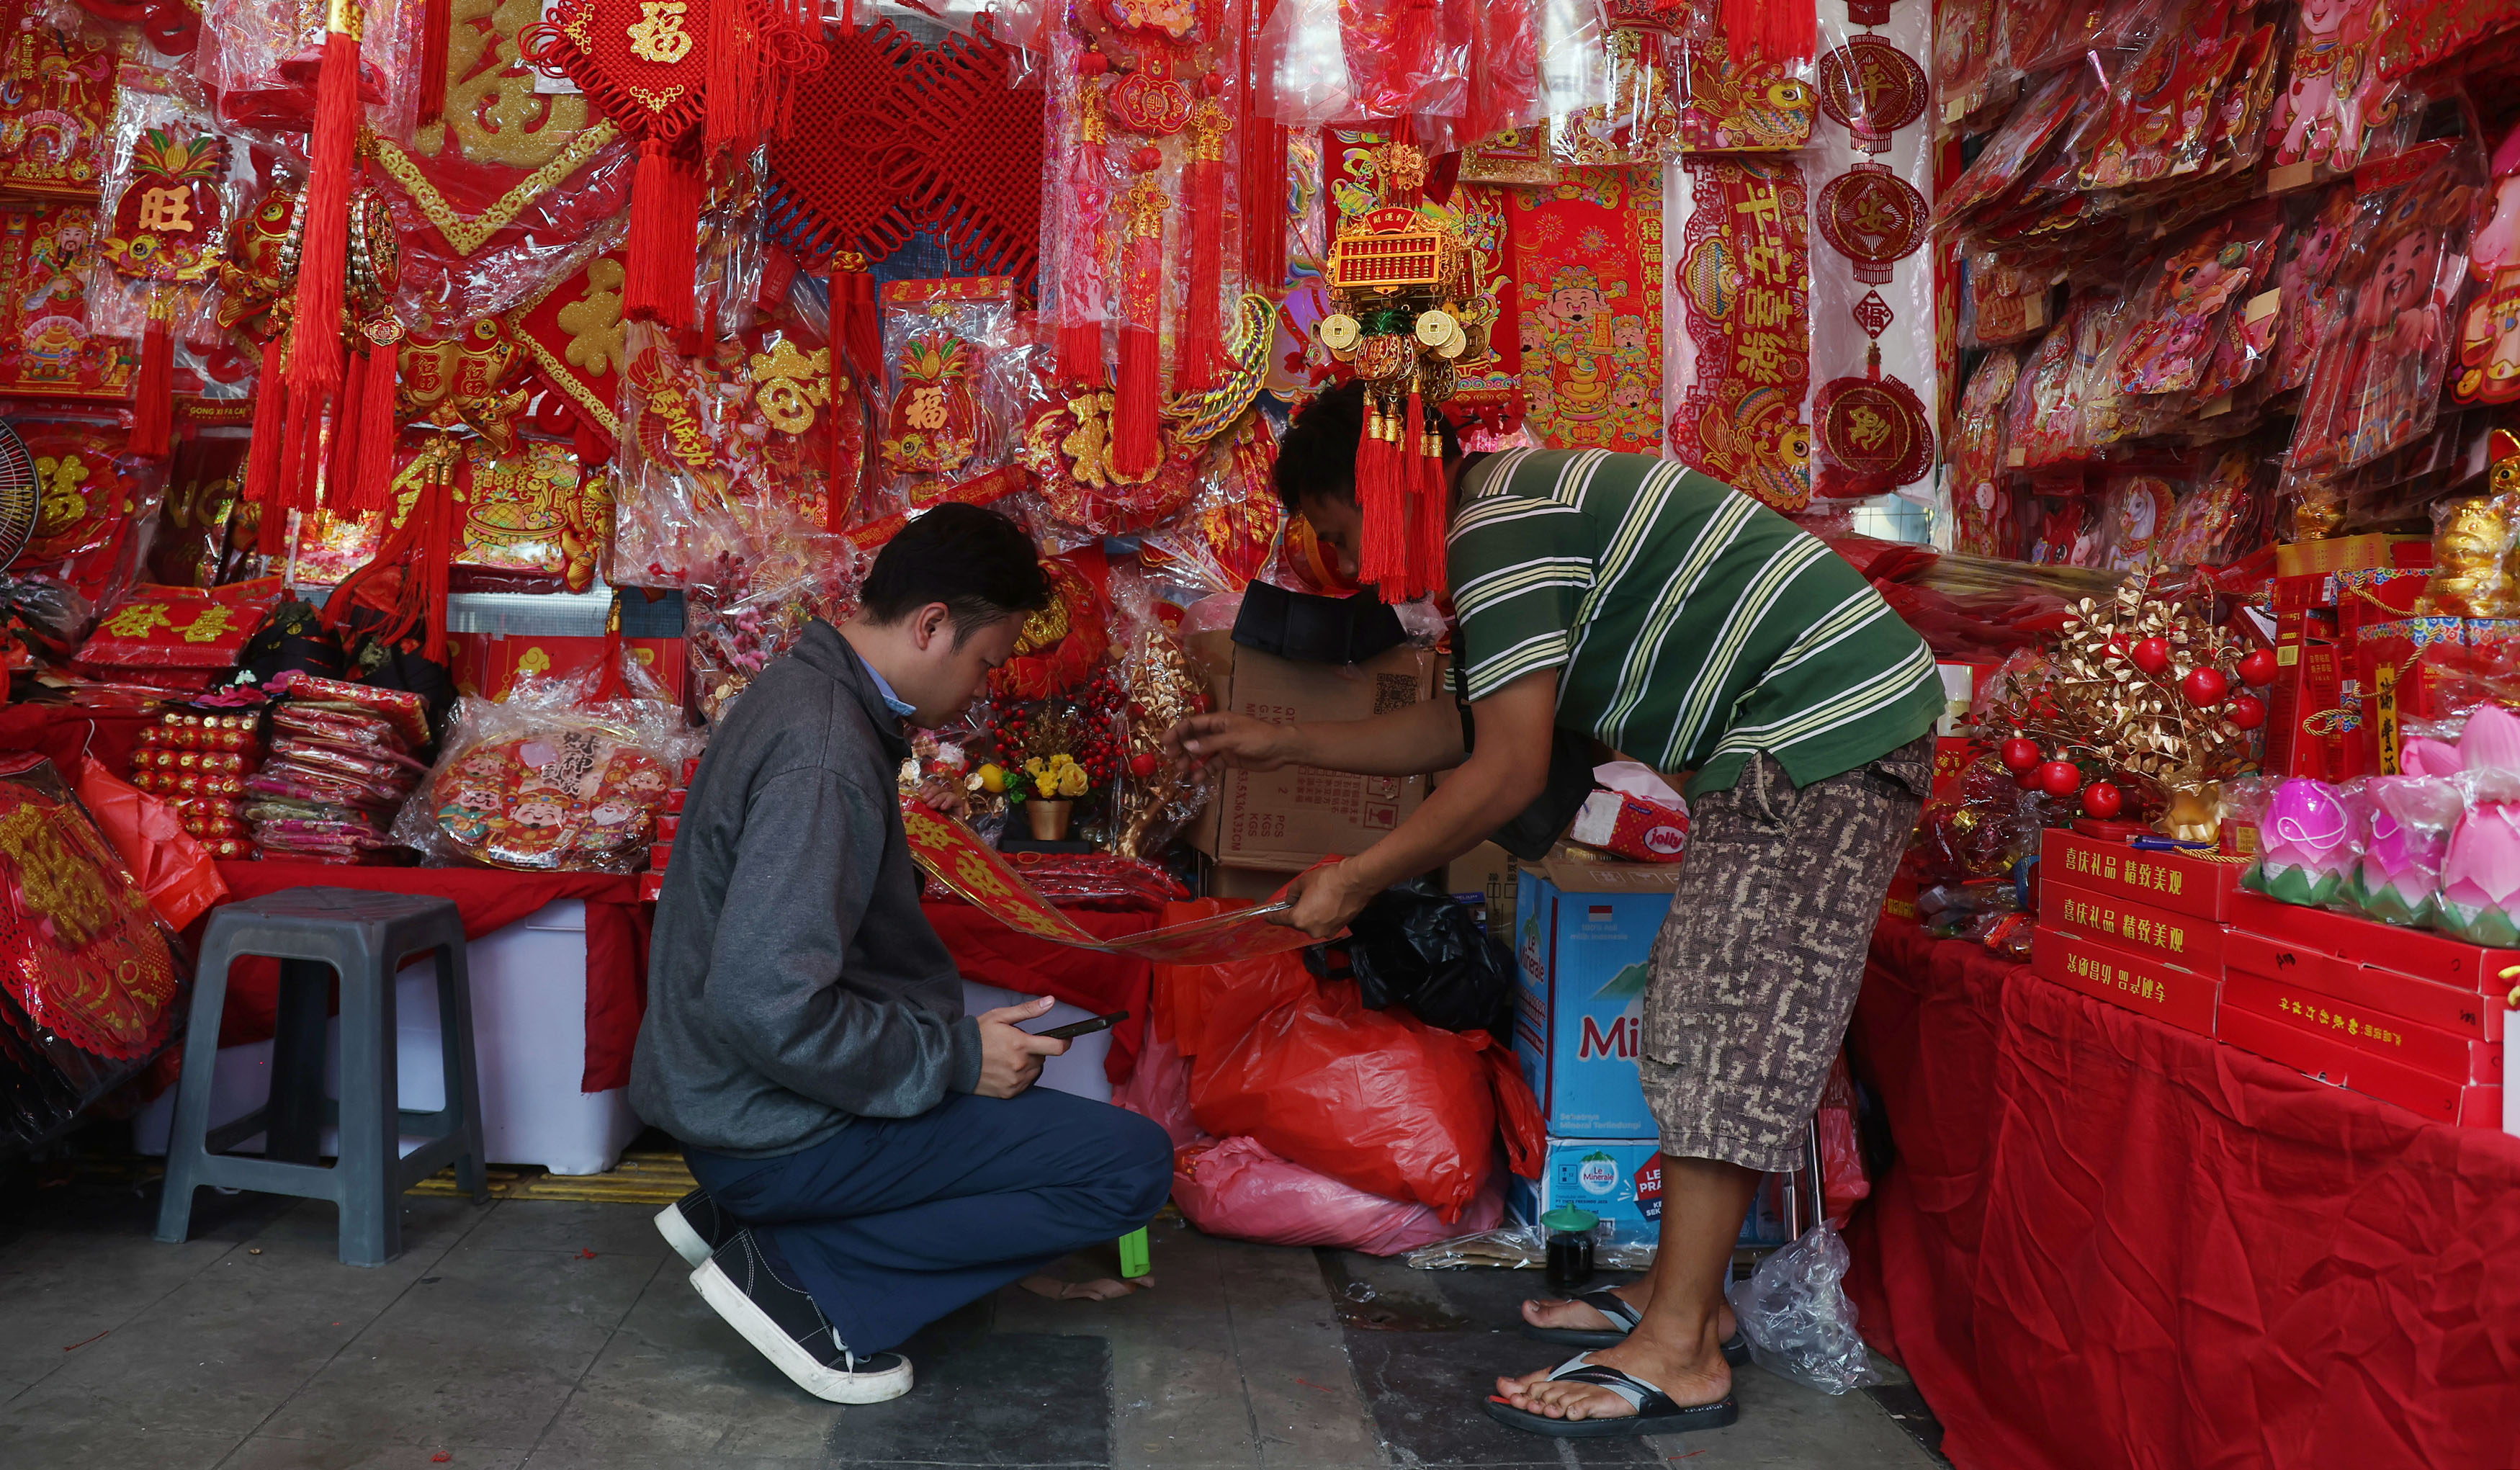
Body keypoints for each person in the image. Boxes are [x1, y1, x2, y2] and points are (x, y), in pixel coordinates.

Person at [1166, 381, 1939, 1438]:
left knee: (1716, 1016)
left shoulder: (1496, 525)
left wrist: (1354, 878)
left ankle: (1678, 1351)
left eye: (1342, 533)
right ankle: (1692, 1301)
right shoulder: (1509, 511)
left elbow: (1502, 770)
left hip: (1817, 727)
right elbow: (1461, 728)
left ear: (1379, 487)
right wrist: (1285, 742)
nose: (1363, 565)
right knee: (1699, 1011)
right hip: (1796, 729)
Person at [633, 504, 1173, 1405]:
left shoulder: (808, 690)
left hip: (731, 1101)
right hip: (764, 1124)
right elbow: (767, 1000)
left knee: (1023, 1101)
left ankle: (741, 1218)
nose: (982, 689)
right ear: (931, 625)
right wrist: (957, 1057)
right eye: (983, 661)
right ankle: (808, 1279)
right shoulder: (825, 751)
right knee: (1127, 1167)